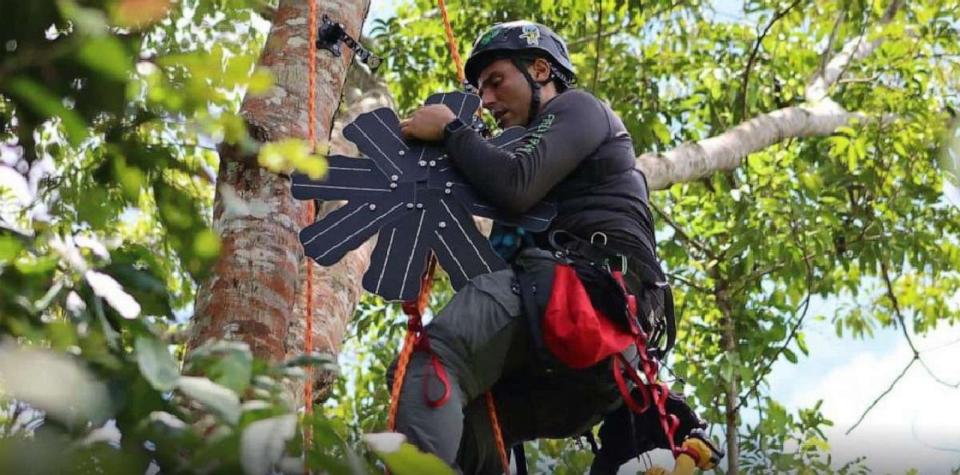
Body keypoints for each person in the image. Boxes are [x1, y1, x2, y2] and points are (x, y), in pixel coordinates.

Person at [394, 21, 702, 474]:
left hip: (582, 300)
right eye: (480, 91)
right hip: (588, 371)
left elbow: (514, 185)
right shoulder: (534, 164)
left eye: (496, 82)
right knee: (475, 417)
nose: (488, 101)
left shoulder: (579, 108)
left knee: (435, 360)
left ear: (541, 70)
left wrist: (453, 131)